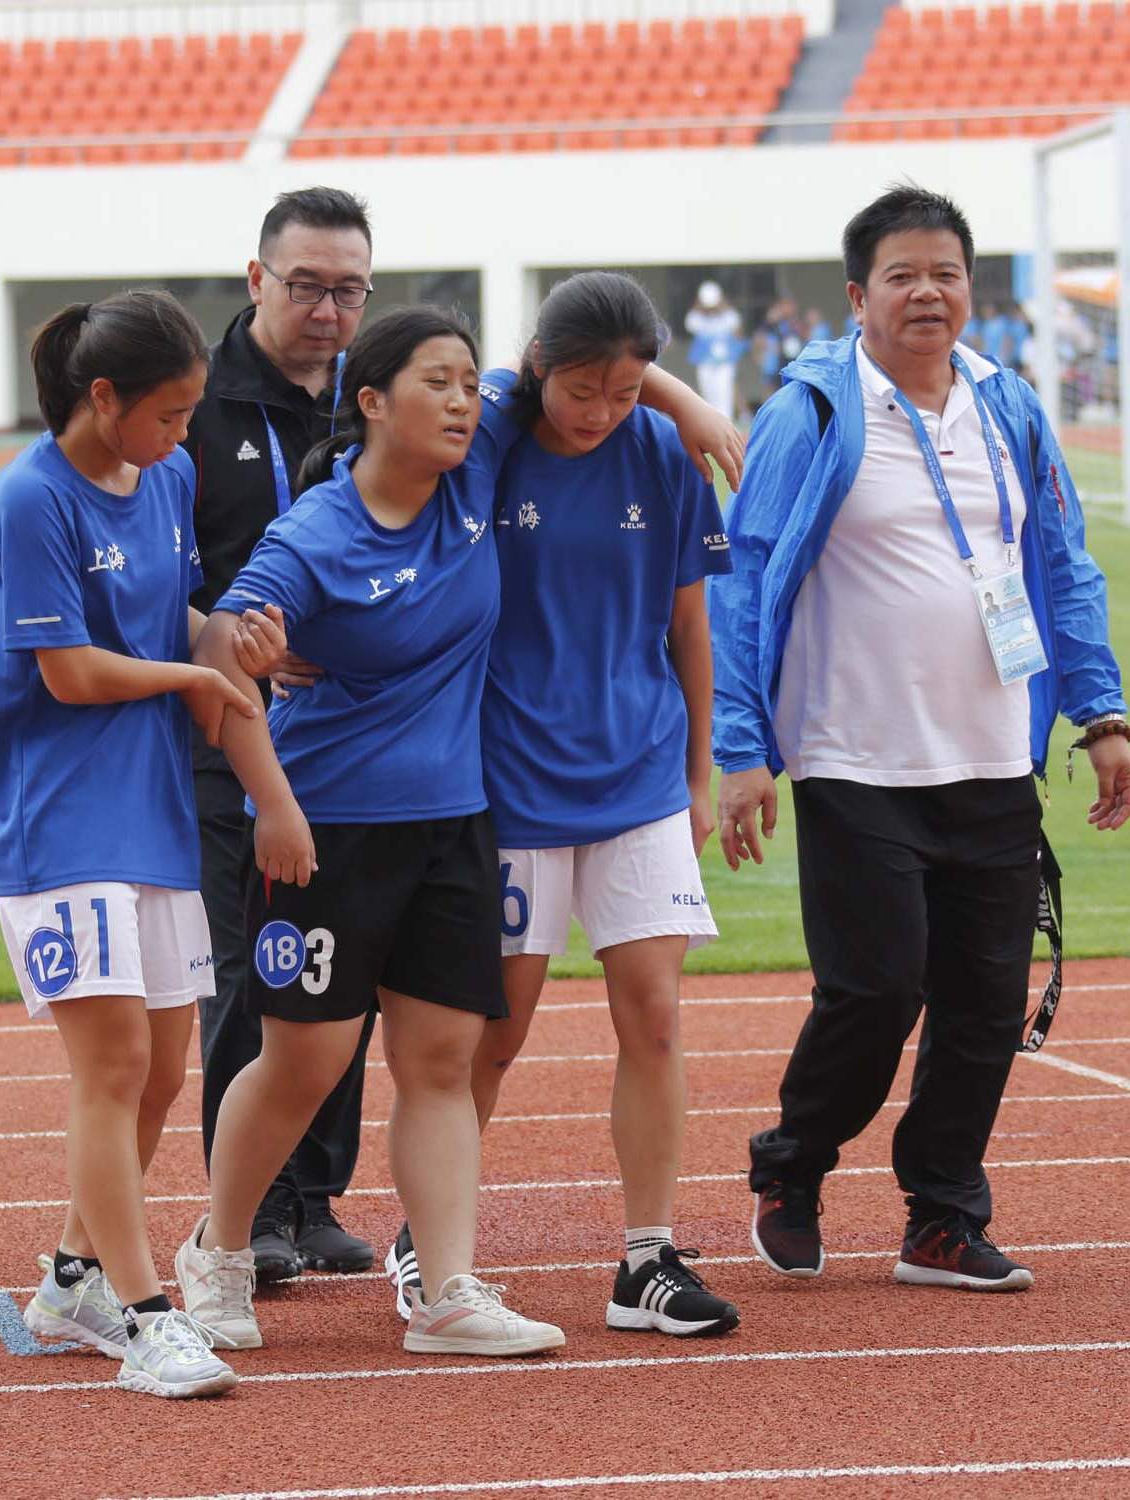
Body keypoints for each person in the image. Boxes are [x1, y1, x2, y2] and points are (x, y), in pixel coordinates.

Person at [176, 305, 742, 1358]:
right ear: (372, 400)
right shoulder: (317, 533)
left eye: (471, 383)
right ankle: (216, 1249)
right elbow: (218, 655)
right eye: (437, 382)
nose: (463, 400)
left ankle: (443, 1292)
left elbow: (591, 364)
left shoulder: (473, 478)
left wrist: (688, 400)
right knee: (303, 1064)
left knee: (442, 1064)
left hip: (455, 826)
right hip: (328, 830)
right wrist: (275, 798)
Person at [710, 185, 1130, 1294]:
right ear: (858, 297)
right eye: (901, 275)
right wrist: (741, 745)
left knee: (985, 1004)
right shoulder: (808, 412)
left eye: (945, 273)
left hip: (994, 755)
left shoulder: (1009, 406)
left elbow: (1066, 562)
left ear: (970, 290)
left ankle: (941, 1215)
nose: (927, 292)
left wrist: (1102, 714)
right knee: (874, 991)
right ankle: (792, 1166)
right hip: (858, 757)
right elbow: (745, 582)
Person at [383, 272, 741, 1339]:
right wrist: (683, 391)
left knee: (658, 1017)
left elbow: (690, 624)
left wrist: (697, 769)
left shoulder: (663, 456)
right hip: (511, 783)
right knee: (495, 1034)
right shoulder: (489, 442)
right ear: (537, 370)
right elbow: (495, 380)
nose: (602, 411)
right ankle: (426, 1245)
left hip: (636, 769)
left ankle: (647, 1258)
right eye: (583, 388)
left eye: (627, 392)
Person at [0, 289, 300, 1399]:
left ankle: (73, 1276)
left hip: (152, 807)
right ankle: (147, 1312)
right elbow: (68, 673)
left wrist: (237, 640)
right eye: (167, 415)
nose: (181, 437)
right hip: (60, 813)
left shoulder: (163, 475)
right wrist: (195, 674)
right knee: (113, 1066)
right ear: (101, 397)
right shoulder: (31, 497)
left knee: (167, 1067)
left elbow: (182, 617)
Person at [181, 186, 379, 1283]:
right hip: (226, 741)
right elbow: (155, 569)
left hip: (355, 745)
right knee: (252, 971)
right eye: (305, 286)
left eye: (348, 289)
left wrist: (679, 403)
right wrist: (233, 634)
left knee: (342, 967)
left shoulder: (384, 393)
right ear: (258, 279)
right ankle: (245, 1205)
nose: (326, 310)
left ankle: (313, 1199)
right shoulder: (198, 407)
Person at [683, 279, 744, 423]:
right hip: (705, 362)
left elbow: (737, 329)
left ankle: (726, 424)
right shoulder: (697, 318)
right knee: (708, 394)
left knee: (724, 394)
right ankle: (711, 424)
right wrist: (699, 306)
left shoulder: (728, 316)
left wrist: (722, 306)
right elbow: (689, 324)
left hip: (724, 363)